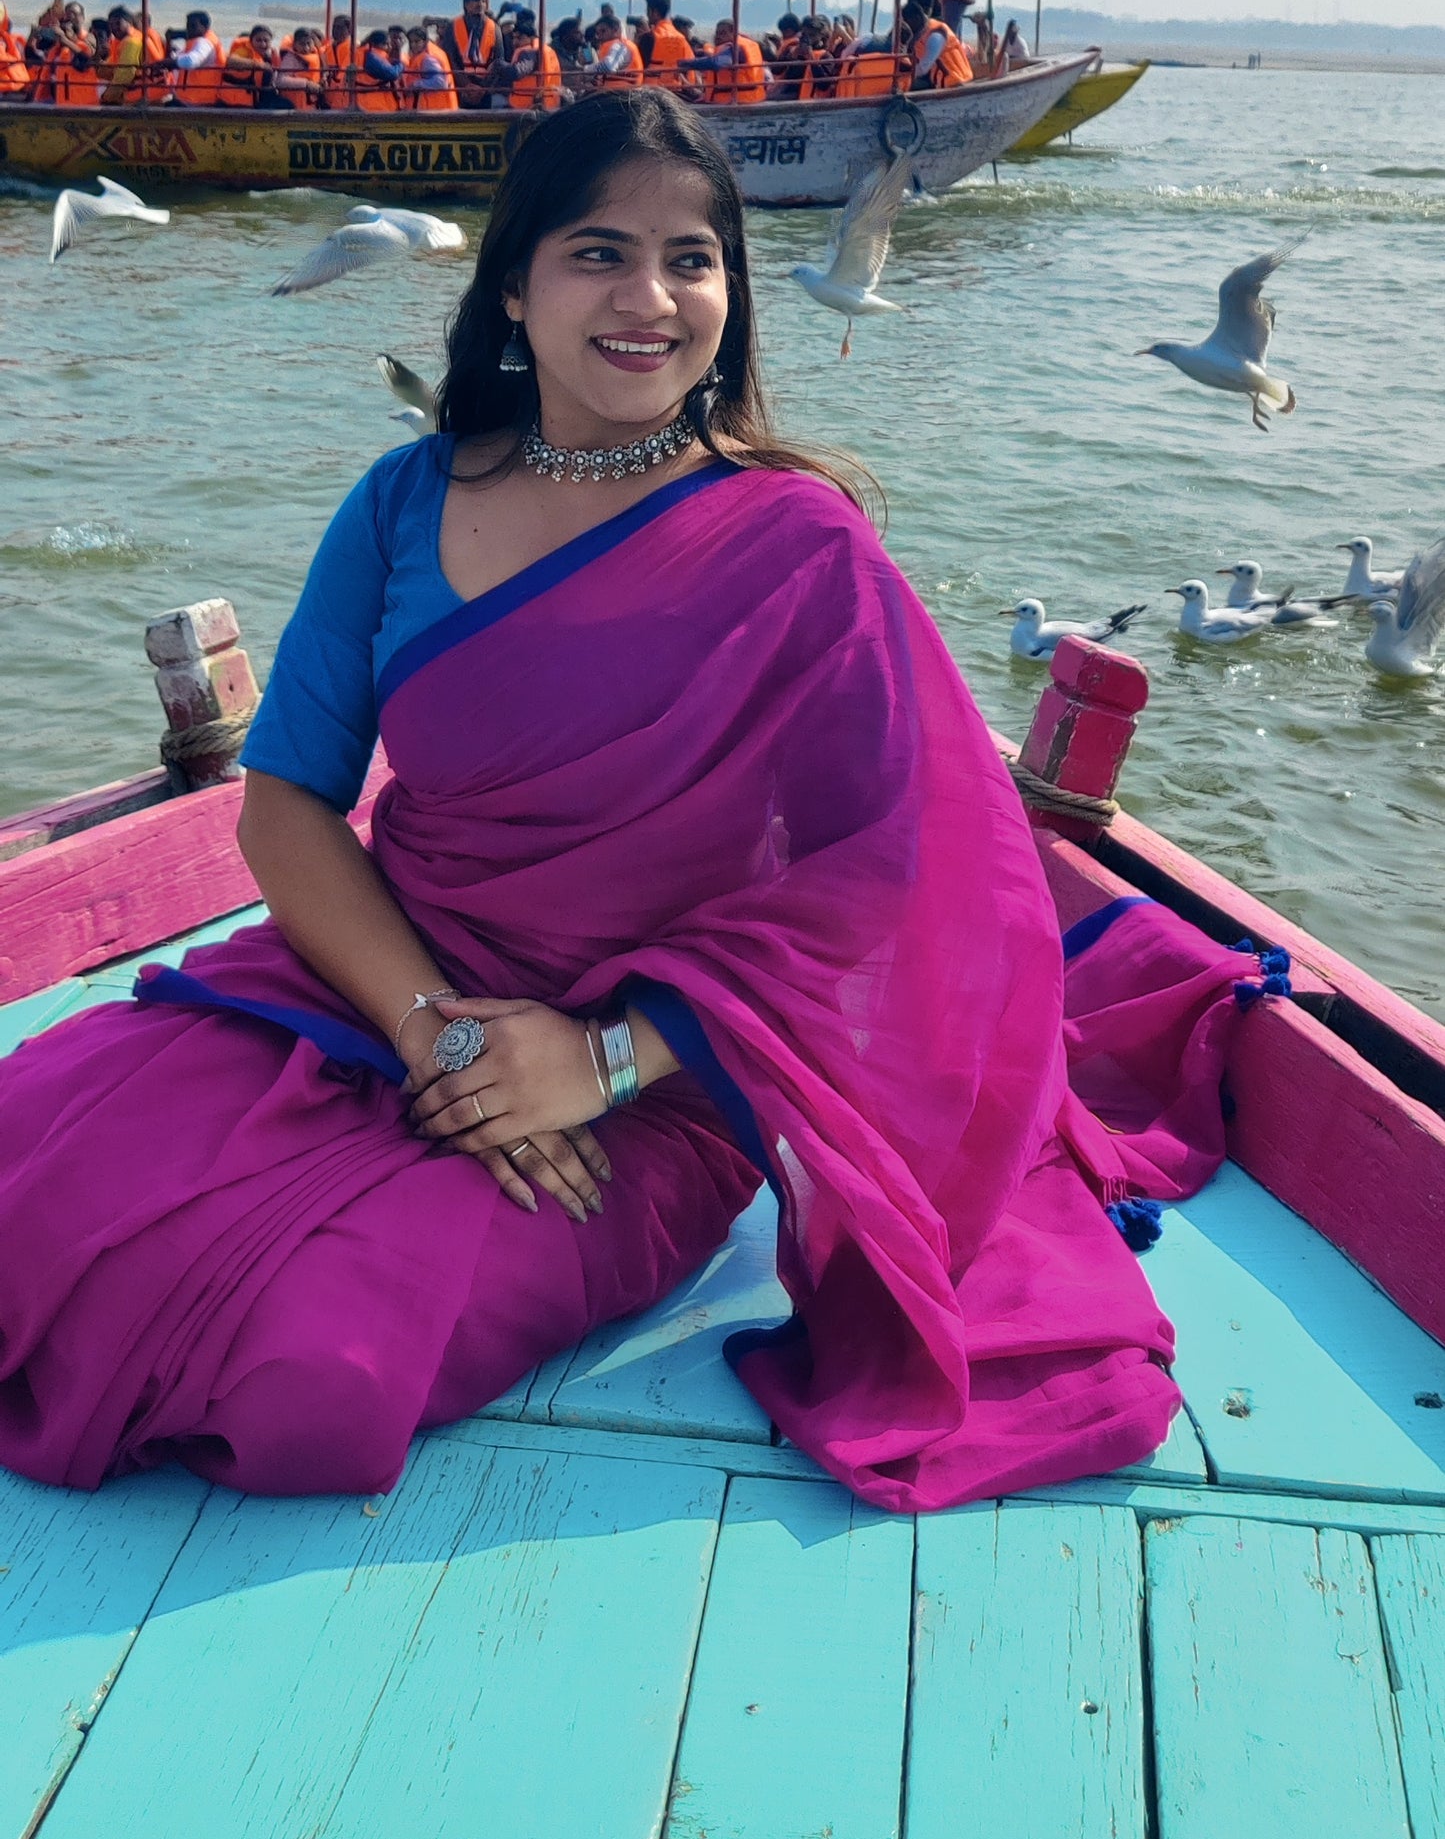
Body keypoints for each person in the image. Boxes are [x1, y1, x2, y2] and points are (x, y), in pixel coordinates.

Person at [0, 88, 1240, 1508]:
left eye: (691, 256)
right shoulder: (405, 500)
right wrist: (437, 1033)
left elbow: (904, 877)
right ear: (514, 284)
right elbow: (285, 804)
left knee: (310, 1372)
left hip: (644, 1081)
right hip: (366, 989)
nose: (649, 296)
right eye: (597, 250)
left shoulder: (796, 545)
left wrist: (596, 1062)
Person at [444, 0, 500, 100]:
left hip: (485, 89)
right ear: (466, 5)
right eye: (476, 1)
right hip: (460, 87)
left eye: (483, 1)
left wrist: (483, 88)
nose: (480, 4)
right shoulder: (453, 26)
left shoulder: (494, 28)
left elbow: (499, 60)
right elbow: (449, 58)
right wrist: (466, 85)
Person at [507, 10, 562, 111]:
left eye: (519, 38)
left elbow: (517, 72)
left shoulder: (529, 51)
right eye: (513, 38)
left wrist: (498, 65)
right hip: (551, 104)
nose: (515, 42)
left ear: (531, 37)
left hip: (527, 106)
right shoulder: (547, 49)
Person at [702, 18, 766, 104]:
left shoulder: (734, 47)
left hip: (736, 99)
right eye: (717, 34)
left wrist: (687, 64)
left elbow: (717, 62)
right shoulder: (750, 44)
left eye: (722, 33)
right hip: (754, 96)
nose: (718, 37)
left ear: (733, 31)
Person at [636, 0, 691, 91]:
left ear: (655, 12)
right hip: (676, 91)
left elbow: (639, 66)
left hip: (652, 92)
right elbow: (688, 66)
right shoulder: (681, 38)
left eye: (648, 11)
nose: (647, 14)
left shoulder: (649, 37)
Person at [169, 9, 226, 105]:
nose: (188, 29)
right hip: (188, 99)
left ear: (205, 27)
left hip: (200, 101)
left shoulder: (205, 43)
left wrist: (170, 63)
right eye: (187, 26)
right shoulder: (196, 41)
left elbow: (191, 61)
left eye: (193, 26)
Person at [402, 27, 459, 111]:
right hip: (436, 108)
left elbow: (439, 82)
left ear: (425, 41)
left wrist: (415, 85)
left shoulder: (428, 59)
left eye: (417, 41)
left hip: (432, 109)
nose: (413, 45)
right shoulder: (430, 53)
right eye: (411, 42)